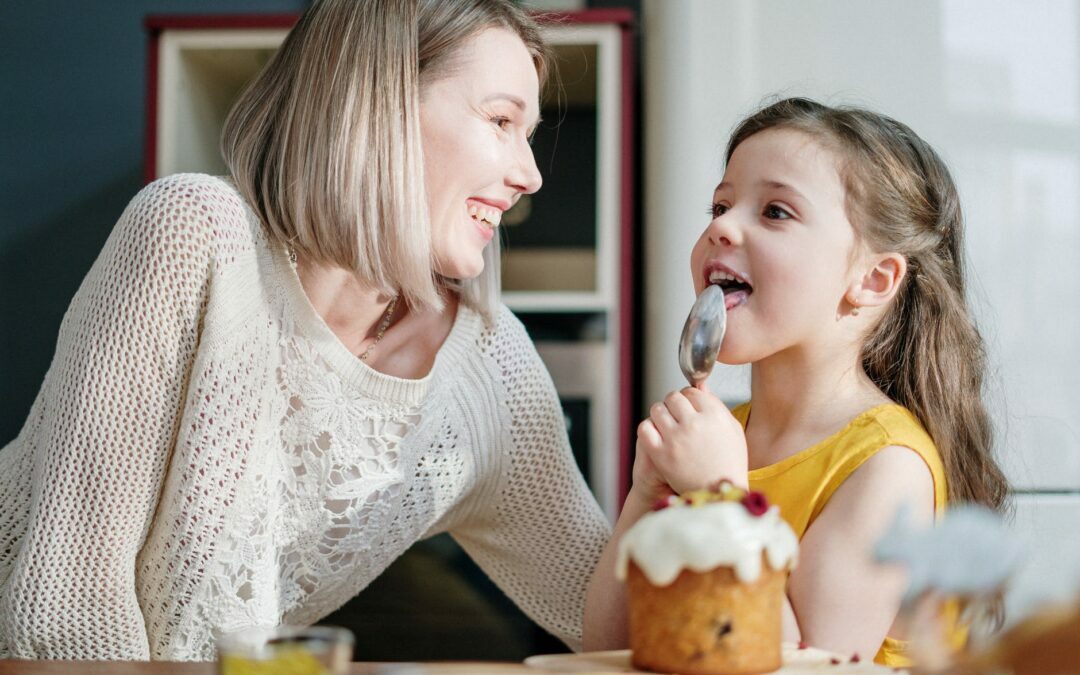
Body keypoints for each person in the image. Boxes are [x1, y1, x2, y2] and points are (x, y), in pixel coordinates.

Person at [0, 0, 612, 660]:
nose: (530, 174)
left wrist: (685, 475)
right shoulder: (195, 235)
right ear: (379, 104)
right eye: (500, 120)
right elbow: (67, 605)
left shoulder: (489, 369)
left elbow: (612, 622)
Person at [584, 97, 1008, 667]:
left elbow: (809, 666)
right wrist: (650, 496)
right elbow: (608, 649)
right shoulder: (724, 440)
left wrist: (720, 500)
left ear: (872, 278)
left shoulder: (887, 466)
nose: (721, 227)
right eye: (720, 205)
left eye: (776, 212)